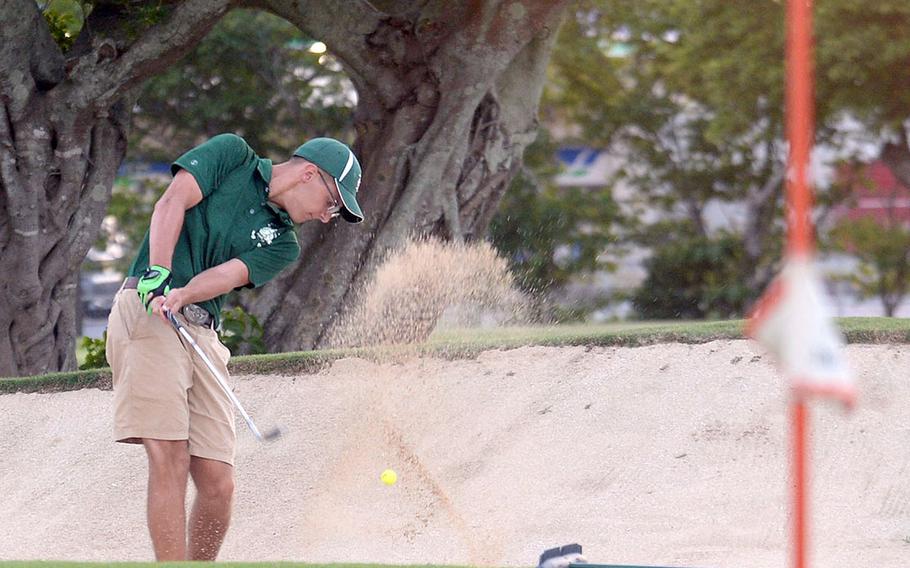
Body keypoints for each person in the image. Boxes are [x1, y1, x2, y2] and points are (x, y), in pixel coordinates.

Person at [105, 133, 364, 561]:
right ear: (308, 174)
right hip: (148, 310)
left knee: (218, 485)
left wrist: (185, 294)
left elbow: (226, 275)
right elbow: (171, 202)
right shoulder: (232, 155)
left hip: (200, 329)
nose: (326, 216)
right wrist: (160, 272)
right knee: (169, 455)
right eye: (333, 202)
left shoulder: (284, 243)